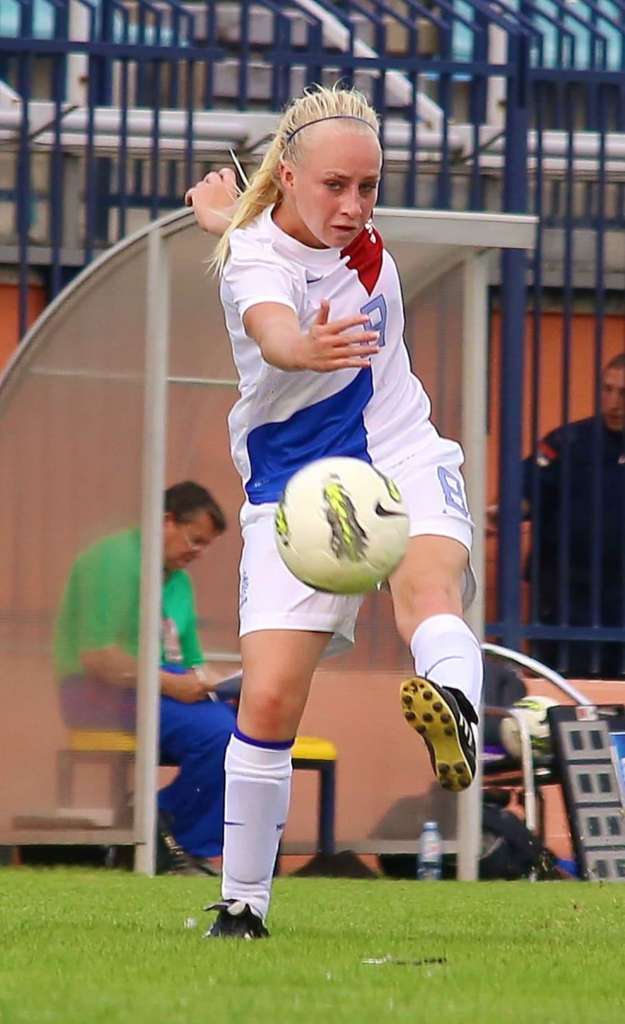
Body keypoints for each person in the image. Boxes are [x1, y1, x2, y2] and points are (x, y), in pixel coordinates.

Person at [185, 85, 483, 939]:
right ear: (287, 177)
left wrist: (218, 214)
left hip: (400, 450)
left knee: (430, 588)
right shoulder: (254, 260)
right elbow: (273, 319)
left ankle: (453, 707)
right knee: (271, 700)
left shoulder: (335, 238)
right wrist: (299, 347)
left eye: (369, 187)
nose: (353, 206)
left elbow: (258, 228)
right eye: (335, 187)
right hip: (299, 490)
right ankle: (242, 910)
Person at [53, 481, 236, 874]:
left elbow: (190, 662)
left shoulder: (179, 580)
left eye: (206, 546)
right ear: (166, 521)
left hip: (151, 684)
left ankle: (157, 822)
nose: (198, 553)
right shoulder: (113, 561)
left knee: (246, 726)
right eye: (194, 540)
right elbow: (98, 657)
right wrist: (174, 684)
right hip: (96, 689)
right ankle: (169, 839)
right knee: (220, 734)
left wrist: (218, 685)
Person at [489, 354, 625, 678]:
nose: (614, 401)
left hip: (620, 593)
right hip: (565, 592)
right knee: (561, 684)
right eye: (607, 390)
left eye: (623, 393)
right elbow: (525, 489)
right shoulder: (568, 441)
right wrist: (507, 511)